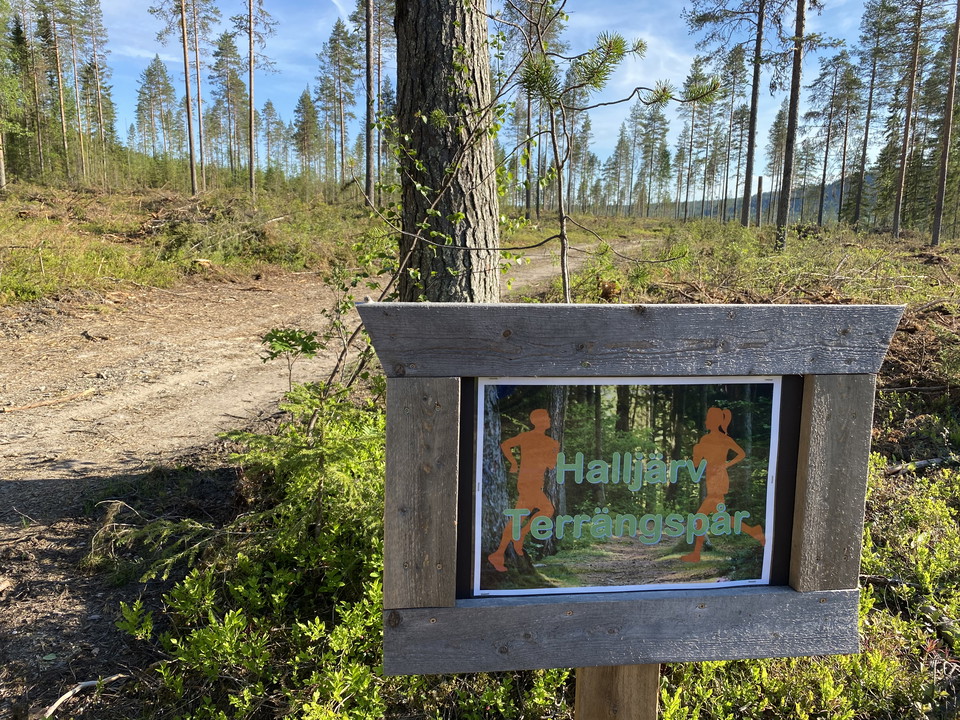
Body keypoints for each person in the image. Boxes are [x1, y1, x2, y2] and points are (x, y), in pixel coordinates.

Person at [681, 406, 764, 563]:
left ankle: (696, 554)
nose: (706, 421)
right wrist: (696, 452)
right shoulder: (707, 440)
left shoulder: (719, 439)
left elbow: (741, 454)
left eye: (708, 419)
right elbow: (697, 463)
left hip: (718, 479)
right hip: (713, 478)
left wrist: (725, 464)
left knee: (701, 517)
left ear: (714, 421)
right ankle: (754, 531)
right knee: (720, 517)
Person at [488, 408, 560, 572]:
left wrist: (553, 451)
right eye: (547, 418)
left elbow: (550, 465)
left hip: (531, 483)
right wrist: (514, 463)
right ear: (539, 421)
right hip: (529, 484)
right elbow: (505, 445)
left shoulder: (549, 442)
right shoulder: (534, 439)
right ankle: (519, 537)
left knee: (517, 519)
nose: (549, 420)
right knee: (547, 509)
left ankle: (499, 553)